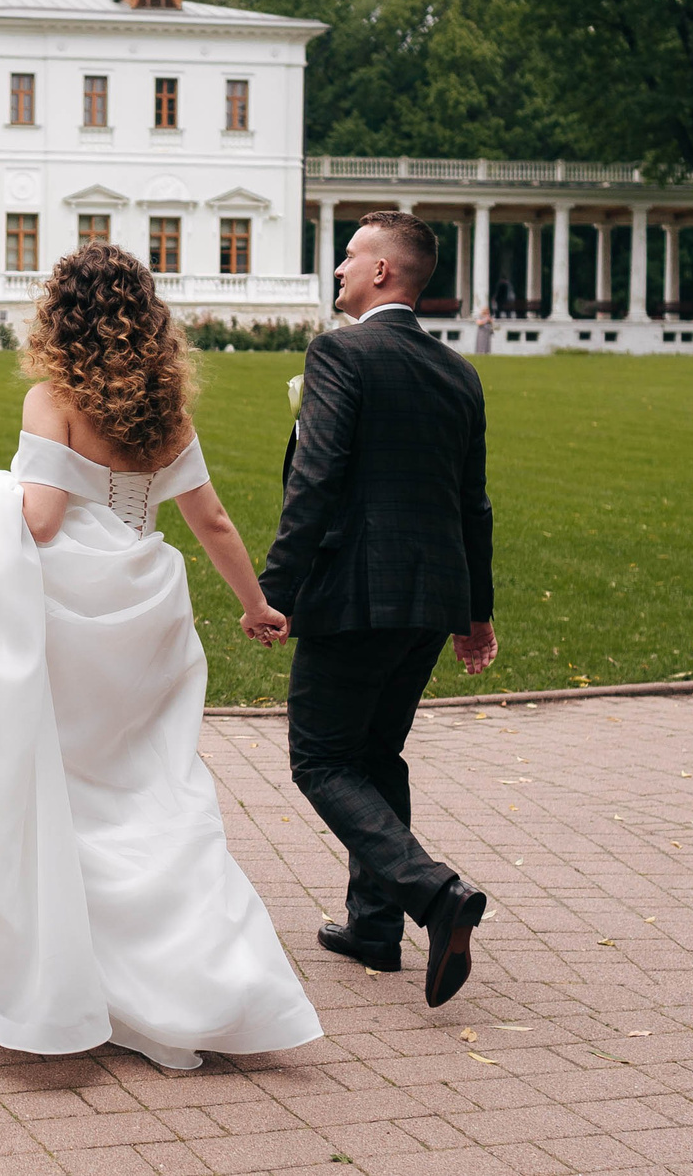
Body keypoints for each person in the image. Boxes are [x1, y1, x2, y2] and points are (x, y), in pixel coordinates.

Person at [0, 243, 322, 1071]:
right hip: (147, 607)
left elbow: (36, 520)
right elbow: (210, 519)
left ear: (59, 314)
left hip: (70, 612)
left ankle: (68, 972)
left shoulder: (53, 399)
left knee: (69, 793)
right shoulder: (167, 409)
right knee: (151, 786)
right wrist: (256, 604)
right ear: (148, 318)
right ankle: (206, 980)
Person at [261, 211, 497, 1009]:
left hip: (354, 594)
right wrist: (477, 613)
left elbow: (314, 480)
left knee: (320, 759)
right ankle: (372, 927)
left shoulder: (340, 351)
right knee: (376, 755)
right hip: (431, 598)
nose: (338, 270)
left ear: (386, 273)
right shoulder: (459, 374)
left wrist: (277, 591)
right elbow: (474, 505)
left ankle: (433, 894)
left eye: (351, 257)